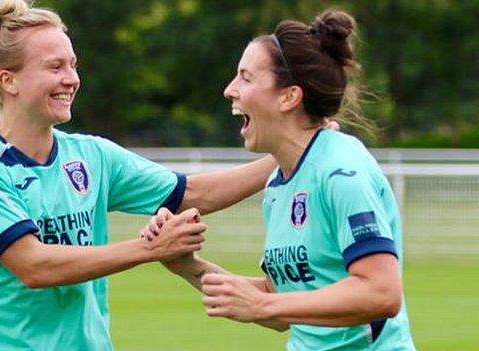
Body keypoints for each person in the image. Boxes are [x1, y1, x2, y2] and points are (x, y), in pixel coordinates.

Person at [0, 0, 278, 350]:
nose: (71, 79)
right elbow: (35, 266)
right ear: (8, 81)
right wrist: (150, 248)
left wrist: (287, 152)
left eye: (72, 65)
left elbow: (192, 193)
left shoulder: (91, 156)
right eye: (55, 67)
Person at [144, 9, 416, 350]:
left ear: (289, 96)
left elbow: (381, 292)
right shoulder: (279, 182)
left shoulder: (342, 173)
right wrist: (187, 266)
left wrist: (264, 304)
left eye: (246, 77)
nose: (230, 90)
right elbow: (283, 307)